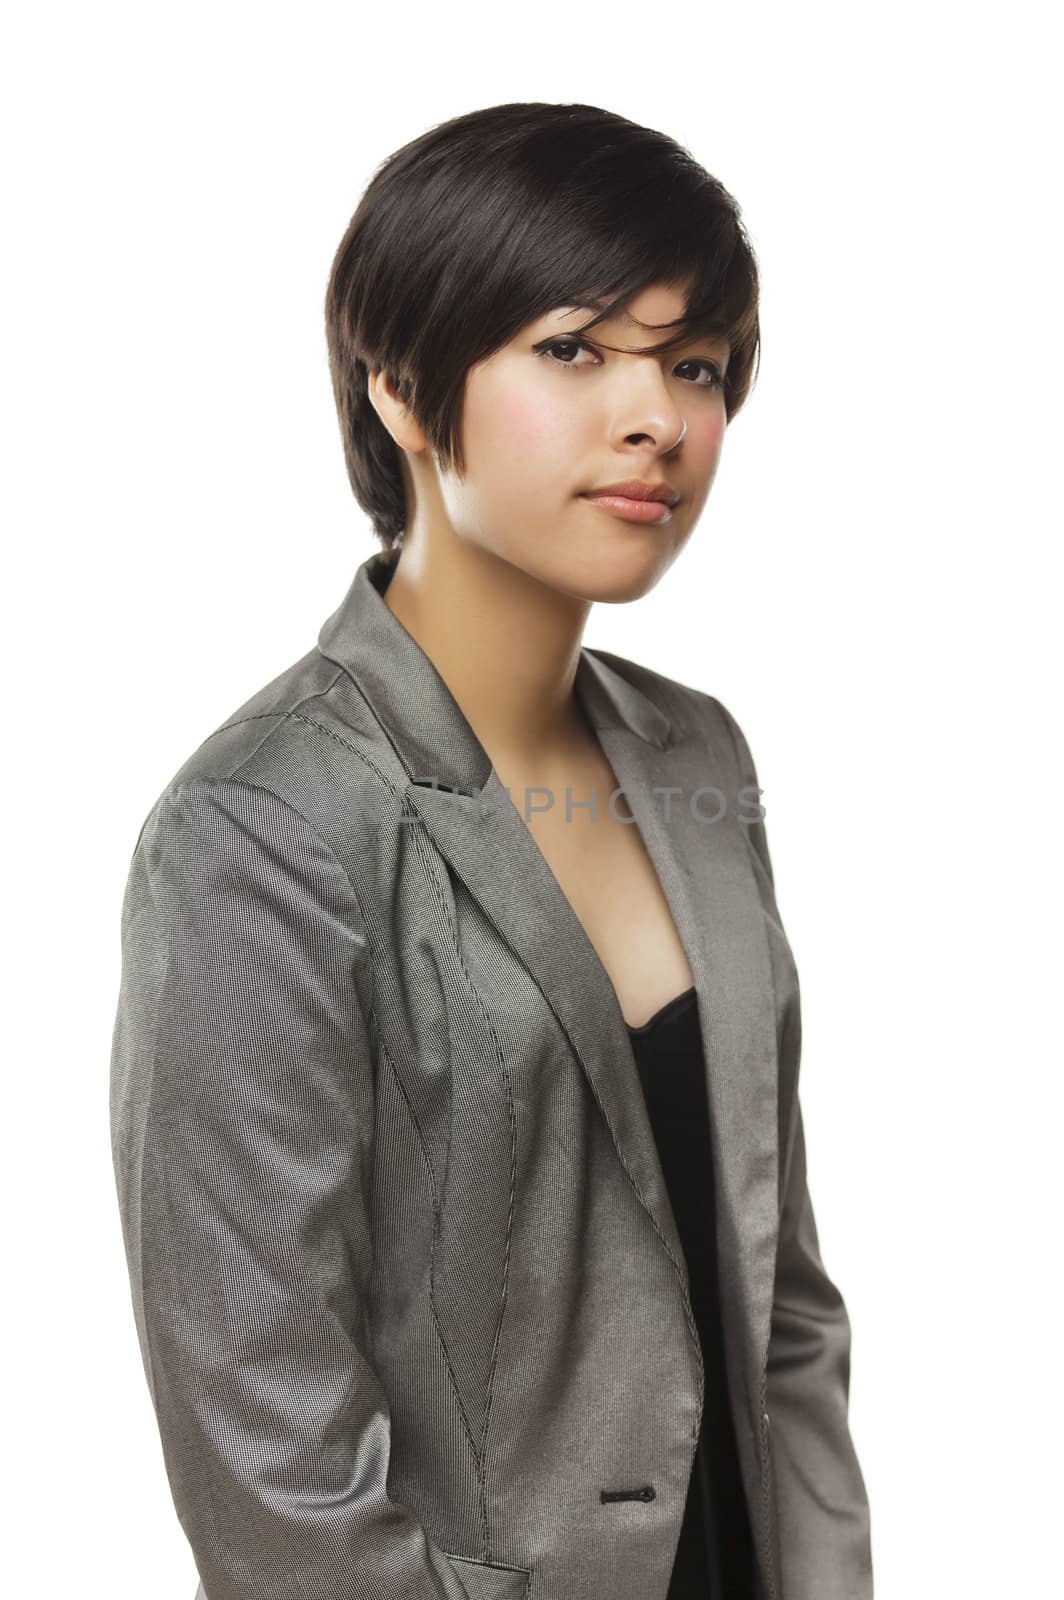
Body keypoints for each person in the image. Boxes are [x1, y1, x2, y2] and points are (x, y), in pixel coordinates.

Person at [109, 101, 874, 1600]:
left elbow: (783, 1303)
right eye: (576, 349)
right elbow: (268, 1455)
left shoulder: (698, 757)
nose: (655, 415)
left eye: (696, 363)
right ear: (401, 386)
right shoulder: (263, 827)